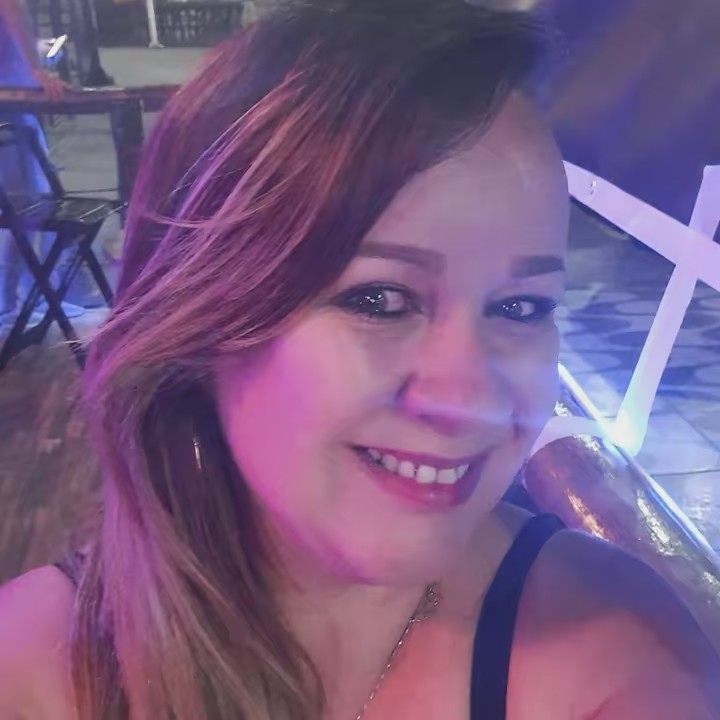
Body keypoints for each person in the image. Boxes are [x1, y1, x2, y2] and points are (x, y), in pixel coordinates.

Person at [1, 1, 719, 719]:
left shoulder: (618, 655)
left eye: (521, 307)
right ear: (200, 320)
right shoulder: (35, 671)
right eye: (379, 299)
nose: (472, 396)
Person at [0, 0, 92, 327]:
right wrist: (34, 70)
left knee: (29, 199)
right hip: (10, 96)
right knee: (25, 203)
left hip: (13, 89)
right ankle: (12, 300)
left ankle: (25, 294)